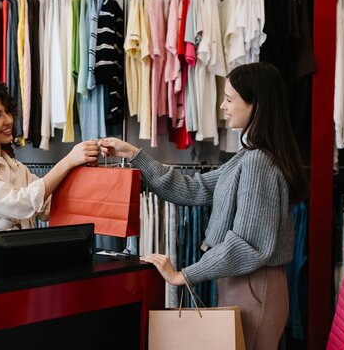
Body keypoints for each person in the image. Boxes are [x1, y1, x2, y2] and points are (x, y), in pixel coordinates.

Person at [98, 62, 308, 350]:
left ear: (256, 104)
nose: (222, 106)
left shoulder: (258, 163)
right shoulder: (247, 158)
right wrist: (134, 154)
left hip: (253, 284)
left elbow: (247, 245)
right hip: (244, 282)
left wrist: (183, 275)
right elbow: (194, 188)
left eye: (230, 98)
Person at [0, 79, 99, 274]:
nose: (9, 120)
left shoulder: (15, 167)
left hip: (20, 262)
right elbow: (20, 204)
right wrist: (67, 162)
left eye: (7, 112)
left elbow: (48, 208)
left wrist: (82, 171)